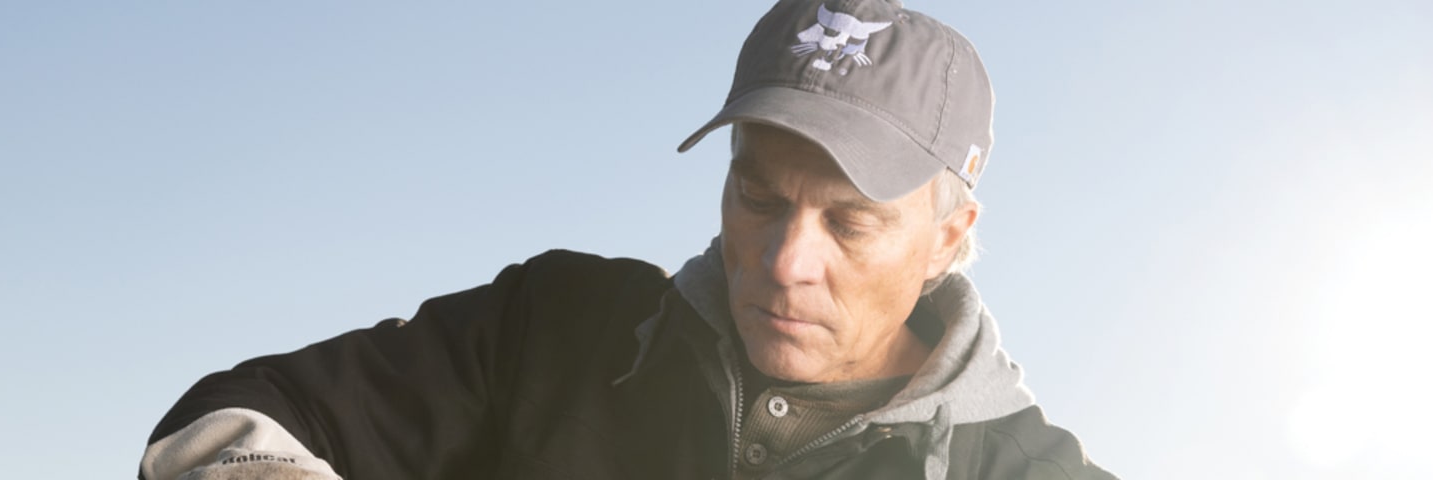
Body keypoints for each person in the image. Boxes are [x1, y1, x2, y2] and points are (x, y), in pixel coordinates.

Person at [138, 1, 1115, 479]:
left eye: (850, 222)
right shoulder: (557, 321)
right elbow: (242, 418)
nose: (783, 263)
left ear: (948, 237)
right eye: (757, 196)